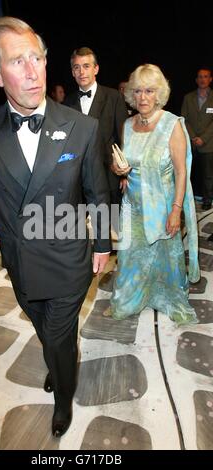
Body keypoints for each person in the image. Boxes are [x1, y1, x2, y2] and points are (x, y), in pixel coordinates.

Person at [0, 17, 110, 437]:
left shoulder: (82, 128)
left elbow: (99, 193)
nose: (34, 71)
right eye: (19, 61)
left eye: (38, 58)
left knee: (57, 336)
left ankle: (63, 398)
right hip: (19, 262)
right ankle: (58, 363)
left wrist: (103, 244)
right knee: (44, 330)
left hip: (69, 257)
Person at [110, 64, 200, 326]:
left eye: (149, 91)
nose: (142, 97)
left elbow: (182, 172)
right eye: (137, 91)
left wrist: (175, 210)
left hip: (162, 206)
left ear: (158, 93)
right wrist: (120, 171)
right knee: (130, 258)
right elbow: (120, 163)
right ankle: (128, 300)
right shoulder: (127, 124)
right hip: (132, 206)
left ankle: (169, 299)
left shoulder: (171, 124)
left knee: (165, 259)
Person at [64, 47, 128, 205]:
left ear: (96, 69)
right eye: (76, 67)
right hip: (78, 182)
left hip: (109, 176)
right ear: (72, 72)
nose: (81, 72)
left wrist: (125, 174)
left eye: (86, 66)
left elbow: (124, 137)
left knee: (111, 226)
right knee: (82, 227)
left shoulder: (114, 97)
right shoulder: (67, 103)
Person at [181, 68, 213, 210]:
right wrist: (194, 137)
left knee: (208, 175)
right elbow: (184, 119)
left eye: (205, 77)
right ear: (196, 80)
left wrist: (203, 138)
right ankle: (188, 199)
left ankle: (207, 200)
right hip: (191, 143)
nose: (202, 79)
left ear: (210, 79)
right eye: (200, 77)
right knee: (187, 173)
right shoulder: (188, 97)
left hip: (209, 144)